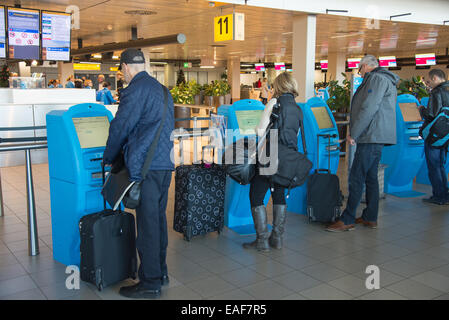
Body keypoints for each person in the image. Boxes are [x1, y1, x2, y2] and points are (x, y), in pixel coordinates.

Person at [103, 48, 174, 299]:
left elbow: (121, 127)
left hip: (147, 168)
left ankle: (150, 282)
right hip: (164, 165)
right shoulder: (163, 90)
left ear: (124, 67)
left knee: (147, 225)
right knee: (157, 222)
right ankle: (161, 271)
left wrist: (109, 157)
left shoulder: (135, 89)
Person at [327, 55, 399, 232]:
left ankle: (348, 218)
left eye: (360, 69)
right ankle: (370, 216)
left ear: (365, 66)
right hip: (376, 135)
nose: (360, 72)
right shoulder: (383, 79)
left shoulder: (376, 79)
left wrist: (355, 133)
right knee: (370, 177)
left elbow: (369, 107)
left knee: (357, 177)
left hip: (371, 135)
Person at [243, 72, 302, 251]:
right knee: (279, 194)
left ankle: (261, 240)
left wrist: (255, 127)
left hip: (270, 155)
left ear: (279, 86)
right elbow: (296, 135)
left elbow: (261, 132)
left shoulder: (274, 104)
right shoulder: (298, 108)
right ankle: (277, 239)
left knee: (256, 195)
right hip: (288, 158)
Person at [419, 69, 449, 205]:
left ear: (435, 78)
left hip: (434, 135)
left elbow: (431, 114)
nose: (429, 84)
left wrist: (421, 109)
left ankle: (439, 196)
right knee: (441, 166)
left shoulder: (436, 92)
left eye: (429, 81)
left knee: (434, 166)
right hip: (445, 135)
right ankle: (444, 195)